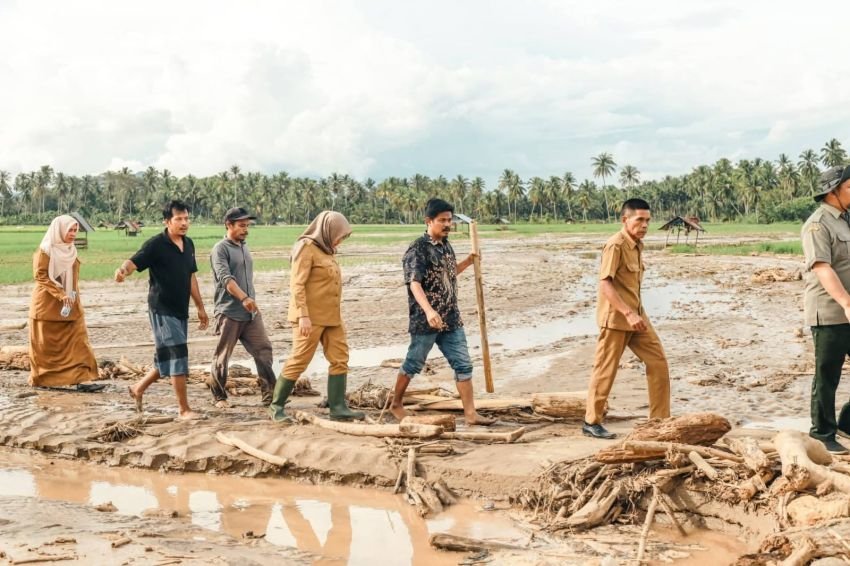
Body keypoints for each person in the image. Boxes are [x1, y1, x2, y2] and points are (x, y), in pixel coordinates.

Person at [389, 198, 494, 426]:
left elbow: (449, 274)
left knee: (463, 364)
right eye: (442, 221)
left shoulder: (446, 246)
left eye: (450, 220)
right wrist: (428, 311)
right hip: (426, 320)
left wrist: (469, 262)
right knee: (413, 363)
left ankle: (470, 414)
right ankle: (396, 404)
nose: (448, 225)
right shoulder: (417, 249)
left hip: (451, 318)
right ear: (429, 221)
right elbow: (414, 283)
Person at [582, 198, 670, 439]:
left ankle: (660, 421)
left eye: (647, 221)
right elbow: (605, 284)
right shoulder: (615, 245)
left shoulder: (637, 245)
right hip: (617, 319)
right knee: (605, 370)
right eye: (639, 220)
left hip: (638, 317)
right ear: (625, 220)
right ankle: (591, 421)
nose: (644, 225)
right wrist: (628, 313)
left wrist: (635, 313)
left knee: (659, 363)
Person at [115, 200, 209, 419]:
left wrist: (200, 307)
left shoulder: (189, 244)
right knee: (178, 355)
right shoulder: (155, 244)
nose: (184, 223)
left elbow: (190, 276)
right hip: (162, 308)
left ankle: (137, 389)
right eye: (179, 219)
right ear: (167, 221)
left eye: (186, 218)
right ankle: (184, 410)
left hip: (180, 308)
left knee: (167, 357)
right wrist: (122, 271)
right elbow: (133, 261)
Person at [268, 211, 364, 423]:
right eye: (339, 235)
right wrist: (303, 316)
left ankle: (338, 407)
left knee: (340, 358)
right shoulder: (306, 247)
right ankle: (276, 407)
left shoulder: (327, 250)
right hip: (309, 317)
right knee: (299, 359)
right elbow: (297, 284)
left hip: (332, 316)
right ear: (328, 230)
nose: (340, 240)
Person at [802, 165, 850, 454]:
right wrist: (846, 302)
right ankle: (822, 433)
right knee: (827, 374)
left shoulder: (846, 220)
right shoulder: (817, 225)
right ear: (833, 191)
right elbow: (822, 268)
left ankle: (848, 420)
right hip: (830, 312)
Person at [207, 207, 276, 408]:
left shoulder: (244, 247)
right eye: (241, 226)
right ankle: (219, 397)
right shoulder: (220, 249)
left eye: (247, 226)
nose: (246, 230)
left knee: (263, 350)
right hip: (229, 312)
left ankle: (270, 395)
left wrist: (251, 302)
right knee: (223, 356)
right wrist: (244, 298)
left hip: (250, 313)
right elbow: (226, 279)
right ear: (229, 225)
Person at [28, 215, 101, 391]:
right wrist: (60, 294)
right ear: (59, 230)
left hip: (71, 304)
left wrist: (72, 298)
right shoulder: (45, 251)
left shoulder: (71, 250)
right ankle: (43, 380)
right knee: (45, 347)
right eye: (70, 230)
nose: (73, 233)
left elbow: (74, 278)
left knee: (79, 340)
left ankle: (82, 380)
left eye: (75, 230)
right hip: (47, 306)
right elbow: (41, 276)